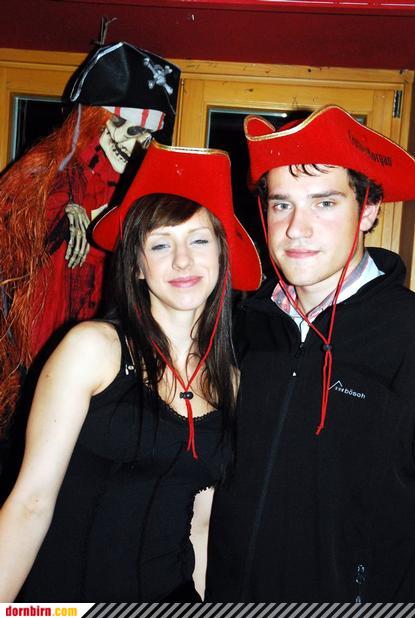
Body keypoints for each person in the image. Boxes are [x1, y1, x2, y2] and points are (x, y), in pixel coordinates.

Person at [0, 140, 262, 602]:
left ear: (222, 255)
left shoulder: (232, 383)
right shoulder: (92, 350)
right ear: (137, 266)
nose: (183, 260)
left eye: (199, 240)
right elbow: (30, 502)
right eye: (160, 244)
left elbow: (201, 523)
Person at [206, 105, 415, 602]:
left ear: (368, 210)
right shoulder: (239, 326)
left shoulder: (407, 332)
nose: (296, 228)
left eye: (324, 203)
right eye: (281, 204)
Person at [0, 41, 180, 430]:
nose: (137, 145)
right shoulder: (44, 171)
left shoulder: (138, 193)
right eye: (131, 129)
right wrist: (58, 212)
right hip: (32, 360)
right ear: (95, 121)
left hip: (102, 360)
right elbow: (10, 230)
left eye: (148, 136)